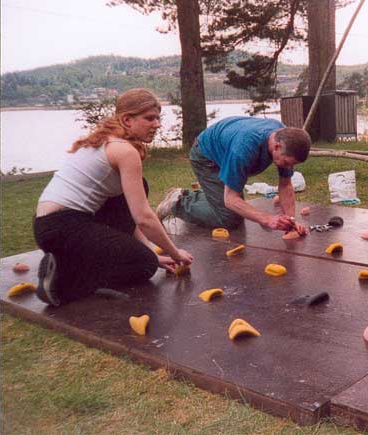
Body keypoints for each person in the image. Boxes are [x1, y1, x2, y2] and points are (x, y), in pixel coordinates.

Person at [33, 88, 193, 307]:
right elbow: (144, 218)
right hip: (64, 228)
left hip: (49, 226)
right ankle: (63, 281)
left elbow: (126, 212)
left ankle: (68, 259)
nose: (157, 124)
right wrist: (175, 254)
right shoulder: (125, 151)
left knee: (139, 187)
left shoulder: (105, 141)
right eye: (149, 118)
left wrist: (151, 252)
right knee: (144, 266)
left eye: (158, 118)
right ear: (127, 120)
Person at [156, 116, 312, 234]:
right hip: (206, 156)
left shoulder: (285, 138)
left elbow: (285, 184)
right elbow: (231, 199)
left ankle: (209, 196)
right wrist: (266, 219)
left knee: (232, 206)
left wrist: (291, 222)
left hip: (227, 148)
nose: (289, 167)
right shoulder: (243, 149)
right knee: (230, 218)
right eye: (287, 163)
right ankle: (179, 202)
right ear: (276, 146)